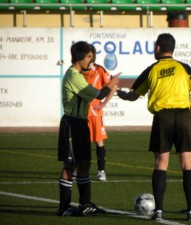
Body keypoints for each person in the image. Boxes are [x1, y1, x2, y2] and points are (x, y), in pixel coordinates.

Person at [117, 33, 191, 221]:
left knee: (161, 164)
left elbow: (134, 95)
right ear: (172, 49)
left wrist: (121, 94)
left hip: (162, 117)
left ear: (158, 48)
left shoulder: (152, 69)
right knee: (188, 164)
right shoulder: (184, 68)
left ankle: (158, 211)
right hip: (183, 117)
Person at [57, 41, 120, 216]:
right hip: (72, 123)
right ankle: (64, 207)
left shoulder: (78, 74)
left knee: (84, 163)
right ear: (79, 57)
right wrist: (113, 82)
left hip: (81, 123)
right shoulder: (73, 76)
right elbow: (99, 94)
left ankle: (85, 204)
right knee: (70, 165)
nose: (91, 61)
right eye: (89, 57)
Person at [82, 45, 117, 181]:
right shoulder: (78, 70)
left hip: (95, 114)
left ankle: (101, 171)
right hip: (80, 113)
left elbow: (113, 85)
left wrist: (103, 103)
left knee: (99, 142)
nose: (87, 58)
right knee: (81, 143)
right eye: (86, 55)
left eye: (90, 55)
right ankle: (78, 170)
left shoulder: (99, 70)